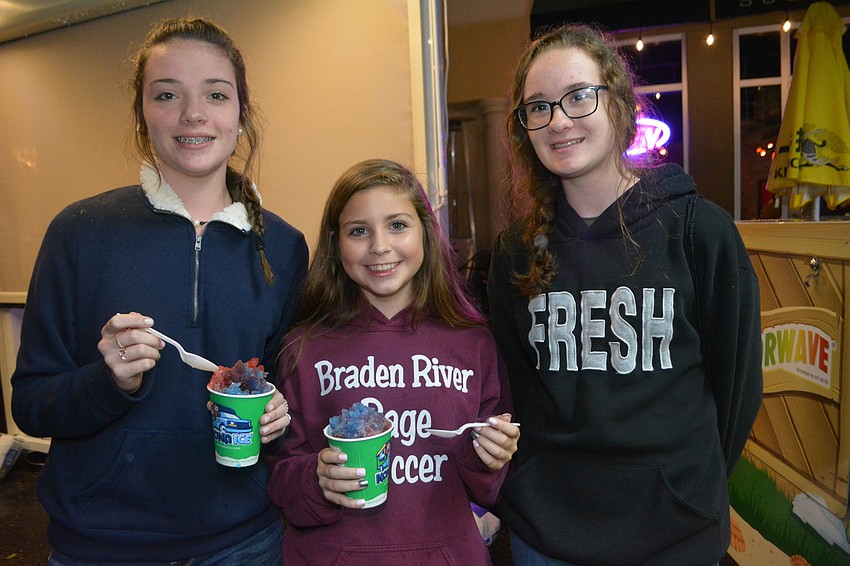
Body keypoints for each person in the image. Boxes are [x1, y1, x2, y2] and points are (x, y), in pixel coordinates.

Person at [11, 17, 308, 565]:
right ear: (142, 114)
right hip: (100, 547)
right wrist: (110, 383)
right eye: (167, 94)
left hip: (245, 543)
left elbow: (290, 394)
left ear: (240, 114)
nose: (192, 114)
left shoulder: (285, 248)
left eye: (215, 95)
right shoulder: (79, 232)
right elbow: (30, 404)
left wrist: (278, 416)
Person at [487, 23, 764, 565]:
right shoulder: (514, 252)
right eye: (537, 107)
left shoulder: (698, 230)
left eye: (578, 97)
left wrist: (687, 488)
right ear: (525, 128)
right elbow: (513, 390)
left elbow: (737, 387)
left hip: (675, 537)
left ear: (616, 102)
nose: (558, 120)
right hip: (546, 537)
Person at [267, 159, 520, 565]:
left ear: (426, 232)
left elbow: (491, 489)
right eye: (358, 231)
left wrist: (489, 458)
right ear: (337, 244)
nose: (380, 246)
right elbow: (280, 478)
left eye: (398, 225)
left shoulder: (474, 344)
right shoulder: (303, 348)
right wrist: (317, 480)